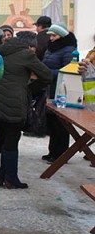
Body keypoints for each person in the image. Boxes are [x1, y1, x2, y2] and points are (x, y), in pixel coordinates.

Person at [0, 37, 52, 188]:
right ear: (30, 46)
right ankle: (11, 178)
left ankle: (1, 177)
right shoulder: (26, 55)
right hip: (15, 102)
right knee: (12, 140)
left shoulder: (0, 52)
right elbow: (47, 76)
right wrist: (30, 89)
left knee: (4, 139)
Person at [41, 22, 77, 163]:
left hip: (61, 90)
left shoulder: (68, 50)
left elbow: (68, 71)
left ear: (61, 35)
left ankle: (61, 154)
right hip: (50, 88)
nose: (51, 38)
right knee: (51, 121)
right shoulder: (52, 48)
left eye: (54, 35)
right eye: (50, 35)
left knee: (61, 123)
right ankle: (52, 152)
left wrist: (46, 73)